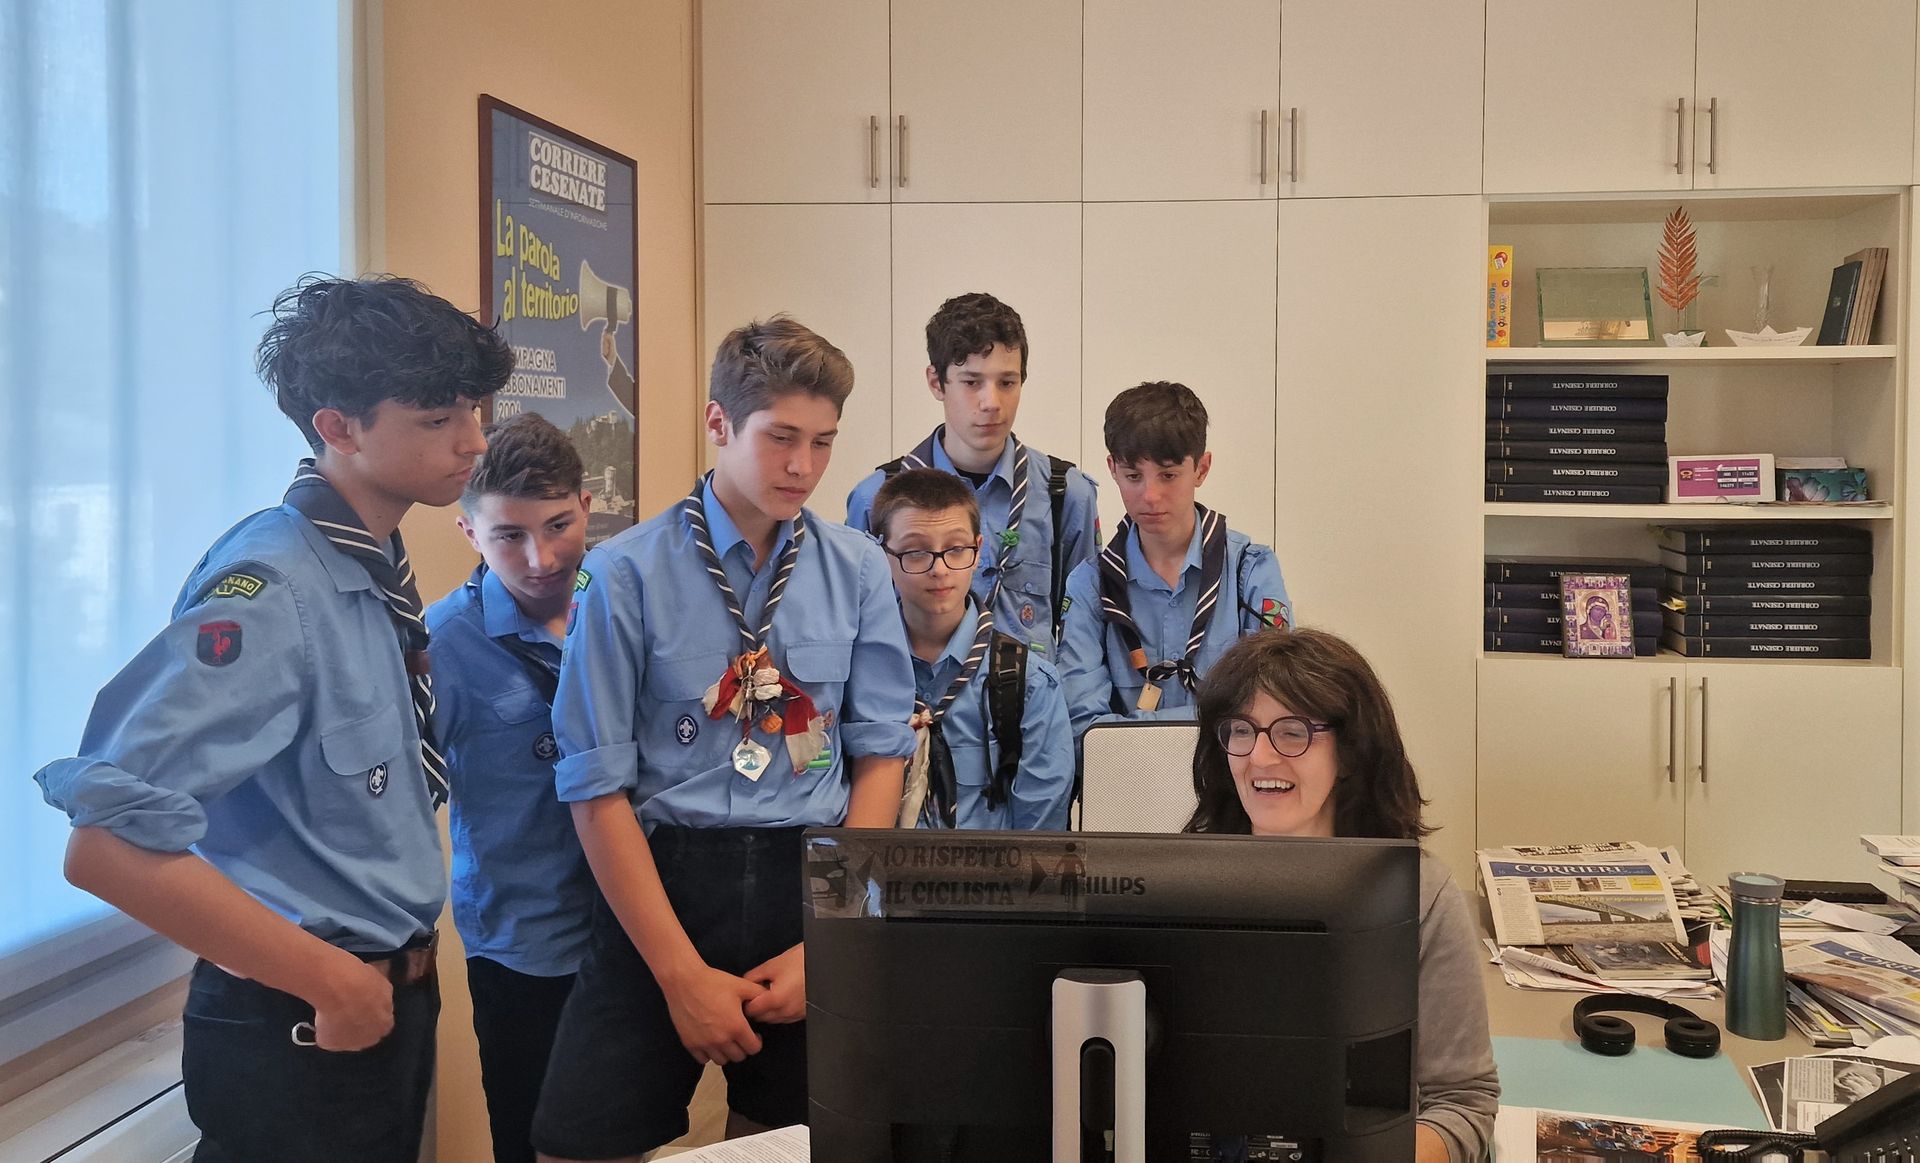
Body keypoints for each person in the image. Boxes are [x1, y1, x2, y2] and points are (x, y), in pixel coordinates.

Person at [34, 274, 510, 1162]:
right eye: (438, 418)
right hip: (298, 1014)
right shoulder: (272, 587)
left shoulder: (370, 562)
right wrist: (331, 981)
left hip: (385, 991)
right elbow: (104, 845)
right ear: (339, 427)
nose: (473, 441)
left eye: (474, 412)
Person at [532, 316, 917, 1162]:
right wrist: (677, 975)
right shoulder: (625, 572)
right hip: (661, 886)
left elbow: (882, 756)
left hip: (807, 882)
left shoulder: (857, 569)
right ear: (719, 422)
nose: (803, 466)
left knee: (788, 1144)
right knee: (574, 1144)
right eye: (781, 437)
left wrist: (829, 937)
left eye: (823, 442)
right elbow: (594, 785)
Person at [1183, 628, 1499, 1162]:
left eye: (1292, 732)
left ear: (1350, 752)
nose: (1260, 757)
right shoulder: (1183, 886)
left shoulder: (1419, 895)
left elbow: (1462, 1104)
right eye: (1241, 730)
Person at [426, 413, 597, 1163]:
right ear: (469, 532)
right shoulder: (440, 646)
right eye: (508, 536)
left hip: (638, 931)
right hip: (525, 950)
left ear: (586, 505)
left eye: (559, 525)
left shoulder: (623, 606)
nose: (541, 557)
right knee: (533, 1143)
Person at [844, 291, 1099, 650]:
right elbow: (853, 625)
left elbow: (1083, 633)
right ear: (936, 382)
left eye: (1007, 383)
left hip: (1031, 686)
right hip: (915, 686)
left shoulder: (1065, 493)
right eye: (971, 382)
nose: (991, 403)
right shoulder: (876, 498)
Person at [1056, 381, 1293, 741]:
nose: (1150, 495)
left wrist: (1141, 728)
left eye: (1168, 475)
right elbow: (1084, 728)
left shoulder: (1250, 570)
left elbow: (1270, 704)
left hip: (1231, 773)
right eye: (1133, 476)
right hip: (1128, 772)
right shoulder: (1090, 584)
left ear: (1201, 468)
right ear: (1112, 469)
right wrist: (1212, 721)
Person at [870, 468, 1075, 830]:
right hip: (880, 866)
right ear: (882, 553)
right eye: (915, 552)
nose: (940, 569)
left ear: (979, 550)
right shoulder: (861, 674)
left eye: (955, 549)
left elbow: (1039, 834)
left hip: (994, 867)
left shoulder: (1028, 682)